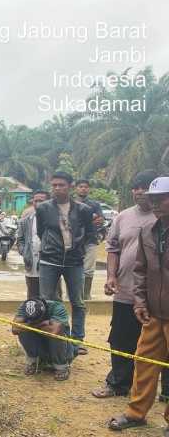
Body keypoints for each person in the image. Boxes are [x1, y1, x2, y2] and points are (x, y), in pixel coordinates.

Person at [94, 171, 169, 399]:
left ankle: (165, 392)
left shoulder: (160, 220)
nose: (141, 192)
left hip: (161, 302)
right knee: (121, 339)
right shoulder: (125, 218)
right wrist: (111, 276)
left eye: (145, 188)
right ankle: (119, 384)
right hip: (128, 293)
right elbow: (114, 250)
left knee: (162, 349)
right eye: (136, 187)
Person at [36, 171, 95, 355]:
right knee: (47, 300)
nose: (57, 188)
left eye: (61, 185)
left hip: (74, 262)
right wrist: (51, 249)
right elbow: (41, 232)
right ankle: (52, 337)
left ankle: (77, 341)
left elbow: (90, 234)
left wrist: (77, 250)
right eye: (54, 185)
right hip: (49, 261)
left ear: (70, 186)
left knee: (78, 302)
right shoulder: (43, 208)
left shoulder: (83, 209)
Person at [12, 298, 73, 380]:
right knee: (22, 331)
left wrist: (28, 325)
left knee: (57, 333)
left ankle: (61, 366)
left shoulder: (57, 307)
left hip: (61, 350)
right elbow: (15, 329)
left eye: (38, 319)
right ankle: (34, 361)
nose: (34, 321)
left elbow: (54, 331)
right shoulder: (24, 307)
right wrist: (38, 324)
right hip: (40, 345)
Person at [75, 179, 106, 300]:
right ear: (76, 188)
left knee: (88, 269)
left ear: (89, 189)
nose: (83, 189)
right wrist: (90, 218)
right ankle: (73, 294)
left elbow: (100, 219)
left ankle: (86, 295)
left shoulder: (94, 204)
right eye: (81, 186)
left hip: (90, 240)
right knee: (72, 269)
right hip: (73, 242)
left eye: (86, 187)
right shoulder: (70, 203)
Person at [17, 190, 50, 300]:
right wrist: (24, 252)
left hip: (50, 264)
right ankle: (33, 316)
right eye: (36, 201)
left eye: (41, 201)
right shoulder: (25, 221)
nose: (38, 203)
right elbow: (20, 239)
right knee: (32, 295)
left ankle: (51, 317)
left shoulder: (54, 220)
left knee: (51, 295)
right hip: (30, 263)